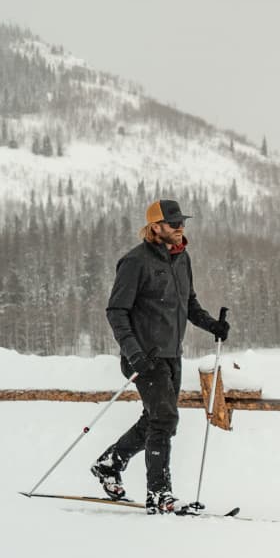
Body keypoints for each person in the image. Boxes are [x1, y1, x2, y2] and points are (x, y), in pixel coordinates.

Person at [91, 199, 231, 514]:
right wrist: (133, 352)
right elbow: (116, 311)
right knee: (164, 419)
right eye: (173, 223)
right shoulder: (135, 262)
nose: (180, 228)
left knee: (158, 420)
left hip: (171, 354)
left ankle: (110, 463)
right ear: (156, 227)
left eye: (182, 222)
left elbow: (189, 303)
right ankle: (160, 494)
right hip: (144, 356)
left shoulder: (183, 259)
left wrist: (213, 325)